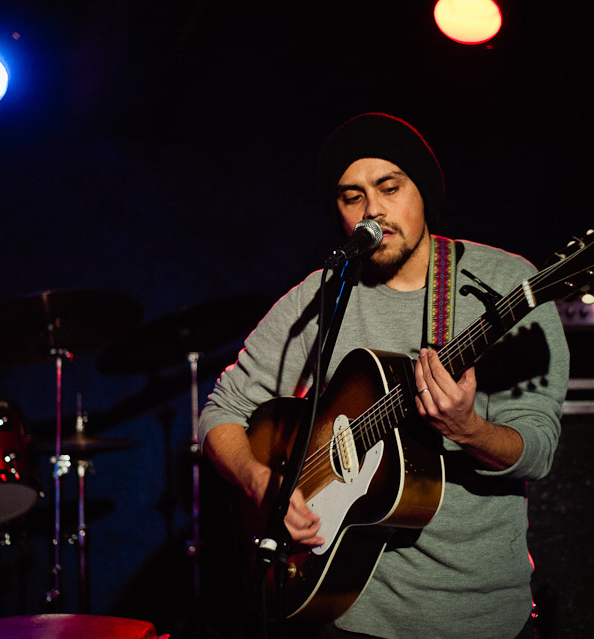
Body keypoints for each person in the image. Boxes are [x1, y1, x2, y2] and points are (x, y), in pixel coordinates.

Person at [198, 112, 569, 639]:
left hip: (482, 617)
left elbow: (538, 449)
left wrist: (468, 429)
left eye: (389, 187)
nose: (373, 210)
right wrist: (262, 483)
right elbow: (222, 410)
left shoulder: (505, 283)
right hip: (347, 610)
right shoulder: (323, 294)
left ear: (423, 190)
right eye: (352, 197)